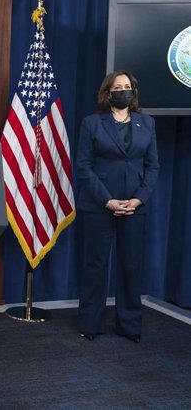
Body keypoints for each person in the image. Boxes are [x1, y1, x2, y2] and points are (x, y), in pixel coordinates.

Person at [76, 70, 159, 343]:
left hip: (135, 207)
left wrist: (138, 199)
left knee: (131, 266)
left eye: (127, 87)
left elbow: (152, 166)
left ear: (133, 92)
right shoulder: (92, 123)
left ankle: (129, 325)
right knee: (96, 265)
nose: (123, 91)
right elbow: (84, 167)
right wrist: (108, 201)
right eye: (117, 87)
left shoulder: (146, 124)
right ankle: (90, 323)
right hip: (99, 205)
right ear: (108, 92)